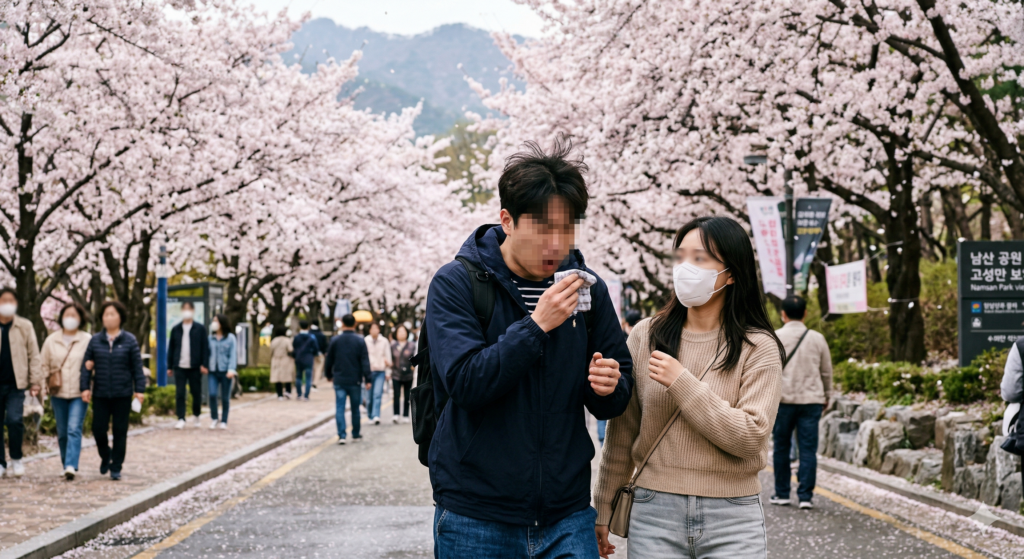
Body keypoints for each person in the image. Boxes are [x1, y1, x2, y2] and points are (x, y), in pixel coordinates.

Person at [425, 139, 633, 559]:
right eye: (543, 227)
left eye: (567, 227)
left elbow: (618, 391)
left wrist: (609, 385)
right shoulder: (457, 283)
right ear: (507, 220)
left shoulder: (587, 289)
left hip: (567, 513)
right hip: (475, 516)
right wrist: (537, 325)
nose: (556, 243)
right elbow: (466, 383)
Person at [593, 216, 785, 559]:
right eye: (680, 257)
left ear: (732, 272)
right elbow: (622, 434)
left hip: (733, 515)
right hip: (654, 510)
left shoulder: (759, 347)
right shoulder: (646, 335)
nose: (685, 267)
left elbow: (751, 436)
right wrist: (603, 508)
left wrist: (682, 382)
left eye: (700, 258)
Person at [770, 295, 833, 510]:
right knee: (808, 449)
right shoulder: (817, 338)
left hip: (783, 400)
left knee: (781, 446)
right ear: (805, 313)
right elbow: (826, 371)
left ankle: (782, 493)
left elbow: (769, 372)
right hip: (811, 400)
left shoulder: (775, 337)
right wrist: (827, 395)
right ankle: (805, 496)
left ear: (783, 314)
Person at [81, 301, 146, 481]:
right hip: (101, 393)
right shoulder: (95, 340)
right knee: (98, 429)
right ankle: (105, 455)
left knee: (120, 431)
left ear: (120, 317)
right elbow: (86, 366)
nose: (108, 317)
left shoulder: (129, 340)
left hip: (122, 393)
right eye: (105, 314)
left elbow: (137, 368)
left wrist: (139, 390)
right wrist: (85, 387)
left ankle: (116, 466)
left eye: (112, 314)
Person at [41, 302, 92, 480]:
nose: (70, 318)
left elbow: (93, 365)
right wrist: (41, 386)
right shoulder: (51, 340)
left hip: (80, 392)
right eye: (67, 315)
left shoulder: (87, 339)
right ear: (61, 318)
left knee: (73, 429)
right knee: (62, 432)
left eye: (74, 315)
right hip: (58, 392)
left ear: (80, 319)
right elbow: (43, 365)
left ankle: (71, 464)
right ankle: (66, 464)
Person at [0, 287, 43, 478]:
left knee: (15, 420)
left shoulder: (25, 326)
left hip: (17, 384)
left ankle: (16, 458)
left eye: (11, 301)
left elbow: (34, 354)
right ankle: (1, 462)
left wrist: (35, 381)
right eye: (3, 301)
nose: (7, 305)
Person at [598, 310, 643, 447]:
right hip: (607, 384)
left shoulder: (639, 337)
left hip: (625, 387)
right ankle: (602, 441)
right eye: (632, 325)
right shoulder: (617, 337)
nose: (634, 329)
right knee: (604, 417)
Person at [324, 314, 371, 444]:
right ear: (355, 324)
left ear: (342, 324)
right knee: (355, 408)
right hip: (355, 380)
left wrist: (328, 375)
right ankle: (355, 434)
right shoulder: (360, 340)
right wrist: (368, 379)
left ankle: (342, 435)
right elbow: (365, 361)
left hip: (339, 379)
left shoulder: (335, 340)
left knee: (340, 407)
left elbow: (329, 360)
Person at [167, 302, 209, 429]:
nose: (186, 311)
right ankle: (181, 418)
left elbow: (205, 348)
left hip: (195, 367)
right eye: (184, 309)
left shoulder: (200, 328)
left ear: (193, 310)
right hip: (179, 366)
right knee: (180, 393)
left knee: (196, 392)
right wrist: (169, 366)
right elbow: (171, 348)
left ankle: (196, 415)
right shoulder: (176, 329)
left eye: (188, 309)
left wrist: (204, 364)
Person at [207, 314, 237, 429]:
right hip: (213, 370)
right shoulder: (210, 338)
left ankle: (224, 420)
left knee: (225, 397)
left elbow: (233, 355)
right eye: (213, 320)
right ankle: (214, 418)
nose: (214, 323)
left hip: (226, 371)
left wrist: (231, 369)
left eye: (216, 321)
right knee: (213, 394)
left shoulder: (230, 338)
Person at [364, 322, 392, 425]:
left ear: (379, 330)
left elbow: (388, 356)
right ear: (369, 330)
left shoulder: (384, 341)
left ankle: (376, 415)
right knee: (369, 396)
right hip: (369, 372)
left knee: (377, 394)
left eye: (376, 328)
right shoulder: (366, 341)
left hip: (380, 371)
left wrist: (388, 371)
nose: (374, 330)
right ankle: (370, 415)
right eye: (372, 328)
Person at [390, 324, 415, 424]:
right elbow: (390, 358)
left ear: (407, 333)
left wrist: (413, 366)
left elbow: (415, 357)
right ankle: (396, 414)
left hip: (408, 374)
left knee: (407, 395)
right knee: (396, 394)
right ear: (396, 333)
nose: (401, 333)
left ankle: (405, 415)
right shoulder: (393, 345)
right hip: (396, 373)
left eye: (403, 331)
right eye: (399, 331)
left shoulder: (412, 345)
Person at [292, 320, 319, 401]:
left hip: (299, 358)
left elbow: (294, 347)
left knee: (298, 377)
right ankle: (306, 395)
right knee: (308, 378)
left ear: (300, 326)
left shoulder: (296, 337)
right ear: (308, 327)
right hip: (308, 358)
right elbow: (316, 349)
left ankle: (299, 394)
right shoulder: (312, 337)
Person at [270, 325, 295, 399]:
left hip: (276, 359)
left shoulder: (274, 340)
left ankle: (279, 394)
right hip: (285, 359)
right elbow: (290, 349)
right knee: (287, 377)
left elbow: (271, 351)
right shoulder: (287, 340)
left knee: (277, 378)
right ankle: (288, 392)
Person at [311, 323, 328, 389]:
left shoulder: (309, 333)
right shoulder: (321, 334)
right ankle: (315, 383)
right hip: (320, 354)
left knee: (312, 368)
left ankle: (311, 382)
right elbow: (325, 344)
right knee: (318, 369)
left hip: (311, 354)